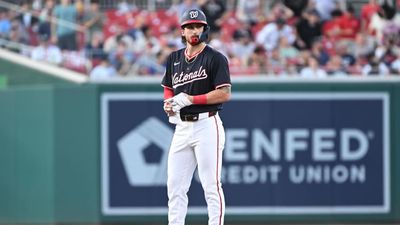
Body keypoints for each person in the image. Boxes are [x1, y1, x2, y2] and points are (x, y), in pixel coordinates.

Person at [161, 9, 231, 225]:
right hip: (182, 128)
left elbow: (224, 93)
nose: (194, 30)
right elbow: (168, 87)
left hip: (206, 125)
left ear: (204, 30)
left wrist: (192, 99)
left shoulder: (215, 58)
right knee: (175, 187)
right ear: (182, 31)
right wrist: (168, 103)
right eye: (190, 26)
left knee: (211, 185)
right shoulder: (173, 58)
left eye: (198, 26)